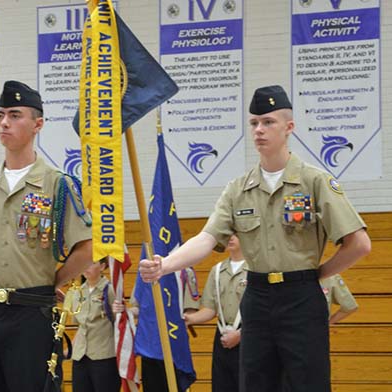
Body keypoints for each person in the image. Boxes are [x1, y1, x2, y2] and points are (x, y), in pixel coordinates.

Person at [139, 85, 371, 392]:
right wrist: (165, 264)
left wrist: (318, 274)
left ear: (289, 128)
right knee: (254, 383)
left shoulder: (314, 181)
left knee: (307, 383)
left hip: (301, 299)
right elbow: (207, 238)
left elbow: (360, 244)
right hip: (258, 298)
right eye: (254, 123)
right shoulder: (238, 189)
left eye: (268, 122)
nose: (259, 129)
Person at [0, 80, 93, 392]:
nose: (4, 122)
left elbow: (86, 248)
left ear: (37, 124)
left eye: (15, 115)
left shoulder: (57, 185)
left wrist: (51, 281)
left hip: (34, 313)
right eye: (0, 114)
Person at [184, 234, 247, 392]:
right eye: (228, 234)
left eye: (236, 234)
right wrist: (187, 319)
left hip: (249, 337)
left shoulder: (256, 269)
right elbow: (210, 309)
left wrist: (240, 335)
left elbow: (264, 312)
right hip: (223, 336)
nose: (231, 238)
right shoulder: (217, 270)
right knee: (221, 385)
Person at [130, 267, 199, 392]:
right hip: (150, 344)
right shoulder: (146, 272)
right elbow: (138, 309)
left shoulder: (184, 271)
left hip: (174, 345)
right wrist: (125, 312)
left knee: (176, 386)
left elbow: (190, 309)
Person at [71, 258, 121, 392]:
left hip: (103, 355)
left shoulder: (110, 290)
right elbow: (81, 326)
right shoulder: (78, 292)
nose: (86, 266)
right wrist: (70, 348)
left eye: (92, 263)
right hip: (80, 356)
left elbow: (119, 321)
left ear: (102, 266)